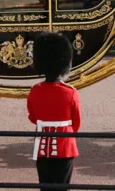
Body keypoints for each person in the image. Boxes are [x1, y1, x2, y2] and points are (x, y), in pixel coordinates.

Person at [27, 32, 81, 191]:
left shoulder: (35, 91)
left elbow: (33, 117)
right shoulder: (71, 92)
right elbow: (76, 122)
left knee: (45, 186)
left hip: (42, 147)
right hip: (65, 146)